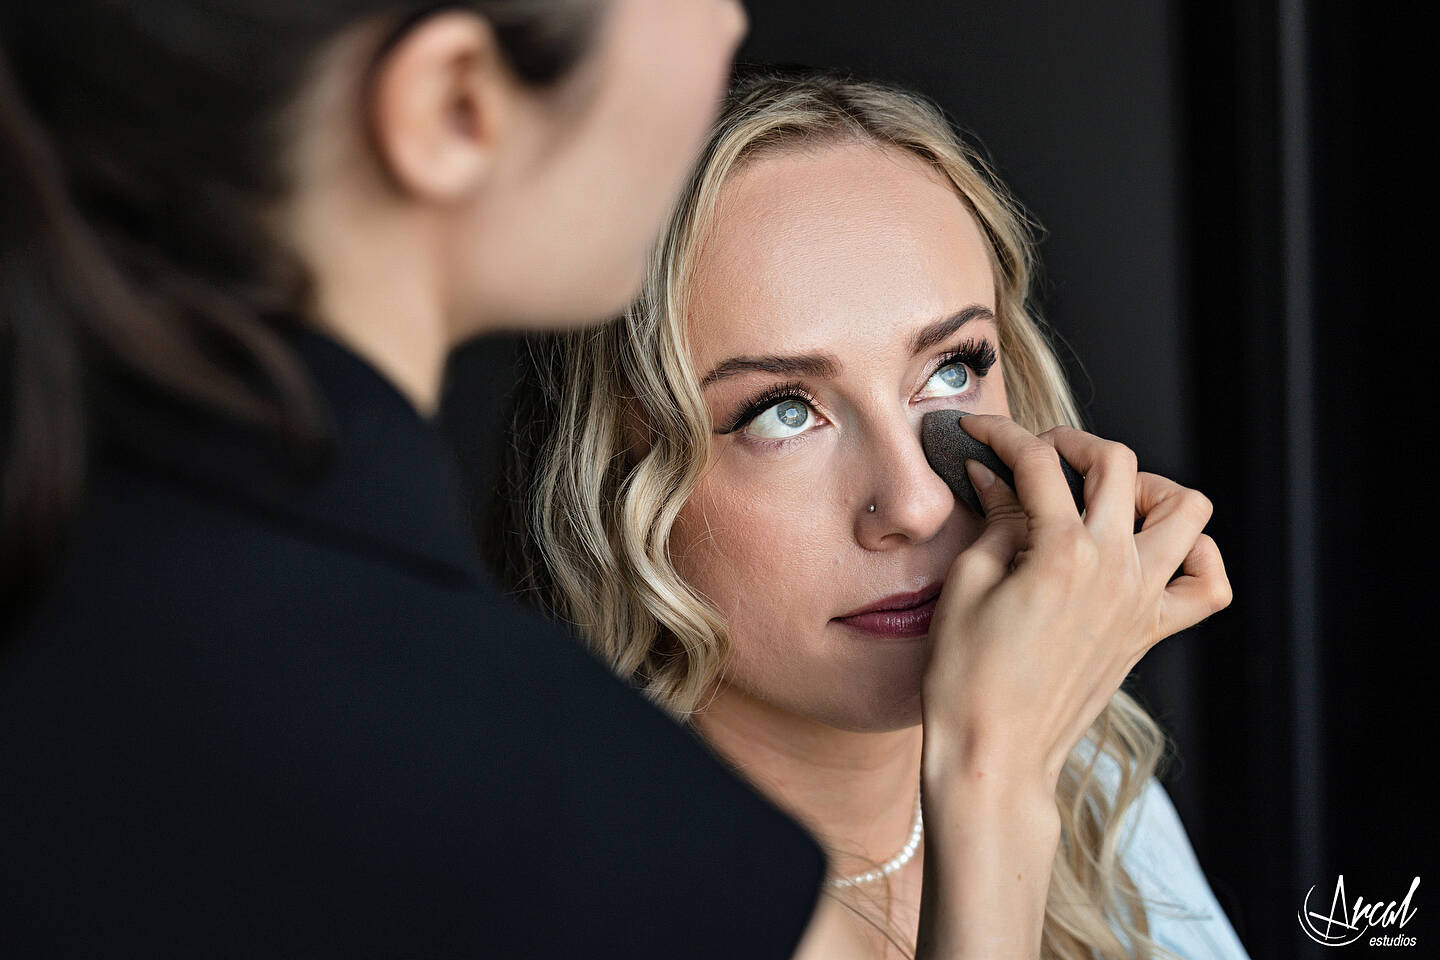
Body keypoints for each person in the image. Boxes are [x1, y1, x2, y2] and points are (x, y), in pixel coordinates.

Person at [0, 3, 841, 957]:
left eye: (957, 365)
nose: (731, 23)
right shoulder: (627, 843)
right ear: (456, 105)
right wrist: (995, 785)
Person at [488, 65, 1246, 959]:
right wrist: (990, 790)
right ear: (614, 481)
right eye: (782, 411)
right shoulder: (562, 897)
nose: (918, 505)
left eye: (953, 369)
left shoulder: (1095, 793)